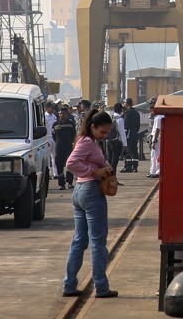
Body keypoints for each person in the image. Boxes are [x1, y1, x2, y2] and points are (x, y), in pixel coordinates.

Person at [61, 111, 117, 299]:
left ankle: (69, 285)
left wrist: (105, 167)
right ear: (93, 127)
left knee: (79, 241)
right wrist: (95, 171)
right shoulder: (86, 142)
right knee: (98, 242)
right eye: (103, 132)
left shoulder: (89, 141)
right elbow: (71, 163)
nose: (105, 135)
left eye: (107, 133)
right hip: (91, 192)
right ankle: (101, 287)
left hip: (80, 192)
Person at [52, 106, 77, 189]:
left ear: (67, 114)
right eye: (60, 113)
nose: (62, 115)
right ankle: (62, 183)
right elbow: (53, 136)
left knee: (70, 163)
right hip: (59, 146)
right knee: (58, 164)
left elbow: (73, 134)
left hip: (68, 145)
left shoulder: (70, 123)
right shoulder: (55, 124)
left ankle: (69, 182)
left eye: (64, 113)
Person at [122, 98, 141, 173]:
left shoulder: (128, 113)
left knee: (127, 150)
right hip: (134, 133)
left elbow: (126, 125)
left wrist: (124, 135)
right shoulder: (136, 113)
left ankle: (128, 166)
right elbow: (138, 125)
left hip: (128, 134)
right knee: (134, 150)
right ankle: (135, 166)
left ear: (126, 103)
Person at [147, 98, 162, 178]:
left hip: (157, 139)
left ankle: (157, 171)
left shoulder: (159, 117)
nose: (150, 109)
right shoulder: (156, 117)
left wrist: (154, 141)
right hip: (154, 137)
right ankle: (152, 170)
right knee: (153, 155)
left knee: (157, 156)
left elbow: (157, 130)